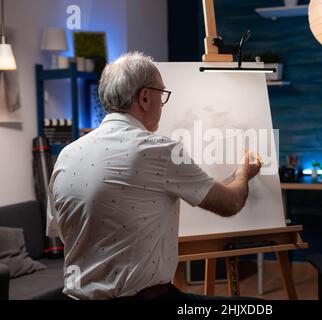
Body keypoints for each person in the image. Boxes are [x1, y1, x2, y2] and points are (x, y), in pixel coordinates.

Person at [46, 52, 262, 300]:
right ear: (145, 97)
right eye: (162, 94)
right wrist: (244, 172)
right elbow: (230, 203)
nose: (162, 103)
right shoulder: (157, 150)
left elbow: (63, 232)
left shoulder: (66, 155)